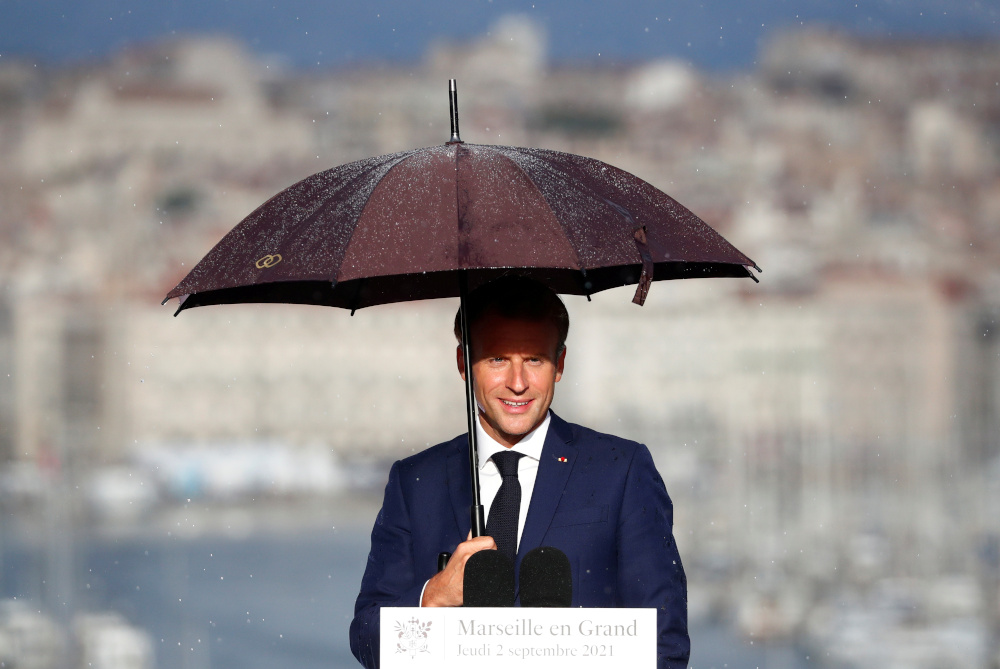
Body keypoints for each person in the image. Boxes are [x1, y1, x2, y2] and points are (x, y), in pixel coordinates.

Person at [349, 277, 689, 668]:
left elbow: (663, 640)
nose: (517, 383)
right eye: (497, 359)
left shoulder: (620, 469)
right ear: (464, 364)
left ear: (559, 365)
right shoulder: (415, 482)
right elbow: (367, 639)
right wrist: (435, 596)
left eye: (534, 360)